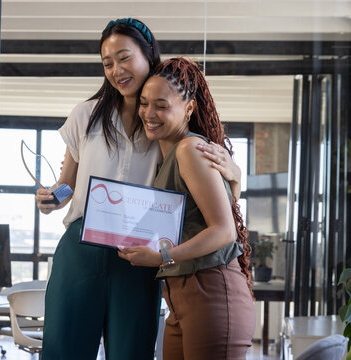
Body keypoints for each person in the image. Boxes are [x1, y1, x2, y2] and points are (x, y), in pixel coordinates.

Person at [36, 19, 242, 360]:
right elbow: (66, 186)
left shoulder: (165, 124)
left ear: (149, 55)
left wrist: (234, 174)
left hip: (139, 254)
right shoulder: (85, 115)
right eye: (107, 63)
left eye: (124, 57)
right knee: (63, 350)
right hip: (81, 247)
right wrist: (49, 199)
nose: (117, 70)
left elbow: (206, 192)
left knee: (131, 351)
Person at [118, 57, 255, 360]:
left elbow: (223, 230)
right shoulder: (167, 156)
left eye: (161, 106)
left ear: (189, 108)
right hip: (181, 298)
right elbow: (214, 212)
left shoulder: (188, 149)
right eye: (143, 103)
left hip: (211, 292)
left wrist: (160, 257)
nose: (149, 114)